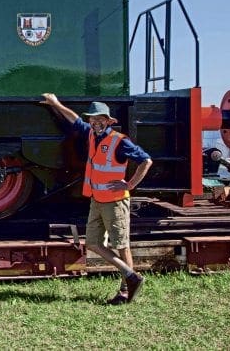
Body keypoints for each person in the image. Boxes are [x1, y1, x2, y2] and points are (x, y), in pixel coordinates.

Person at [40, 94, 152, 304]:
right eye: (93, 119)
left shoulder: (119, 141)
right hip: (97, 200)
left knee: (122, 245)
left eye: (100, 119)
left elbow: (146, 160)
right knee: (92, 243)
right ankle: (131, 276)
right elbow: (75, 120)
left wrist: (129, 185)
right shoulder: (92, 135)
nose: (96, 122)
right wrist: (56, 104)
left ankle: (126, 291)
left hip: (116, 202)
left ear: (109, 121)